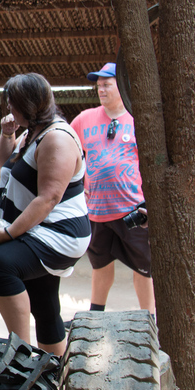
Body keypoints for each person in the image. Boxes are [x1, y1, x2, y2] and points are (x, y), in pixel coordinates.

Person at [0, 73, 90, 355]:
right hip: (39, 229)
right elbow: (5, 164)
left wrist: (8, 234)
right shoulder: (33, 131)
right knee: (45, 305)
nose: (10, 110)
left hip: (58, 232)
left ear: (29, 105)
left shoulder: (57, 138)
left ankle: (19, 353)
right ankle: (55, 373)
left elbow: (49, 198)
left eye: (12, 105)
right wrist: (8, 135)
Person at [70, 63, 155, 315]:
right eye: (98, 86)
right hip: (96, 209)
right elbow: (65, 143)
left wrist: (150, 205)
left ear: (123, 86)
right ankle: (96, 315)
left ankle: (148, 319)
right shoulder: (85, 119)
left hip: (132, 209)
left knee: (144, 267)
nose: (101, 90)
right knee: (100, 265)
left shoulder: (138, 119)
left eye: (107, 84)